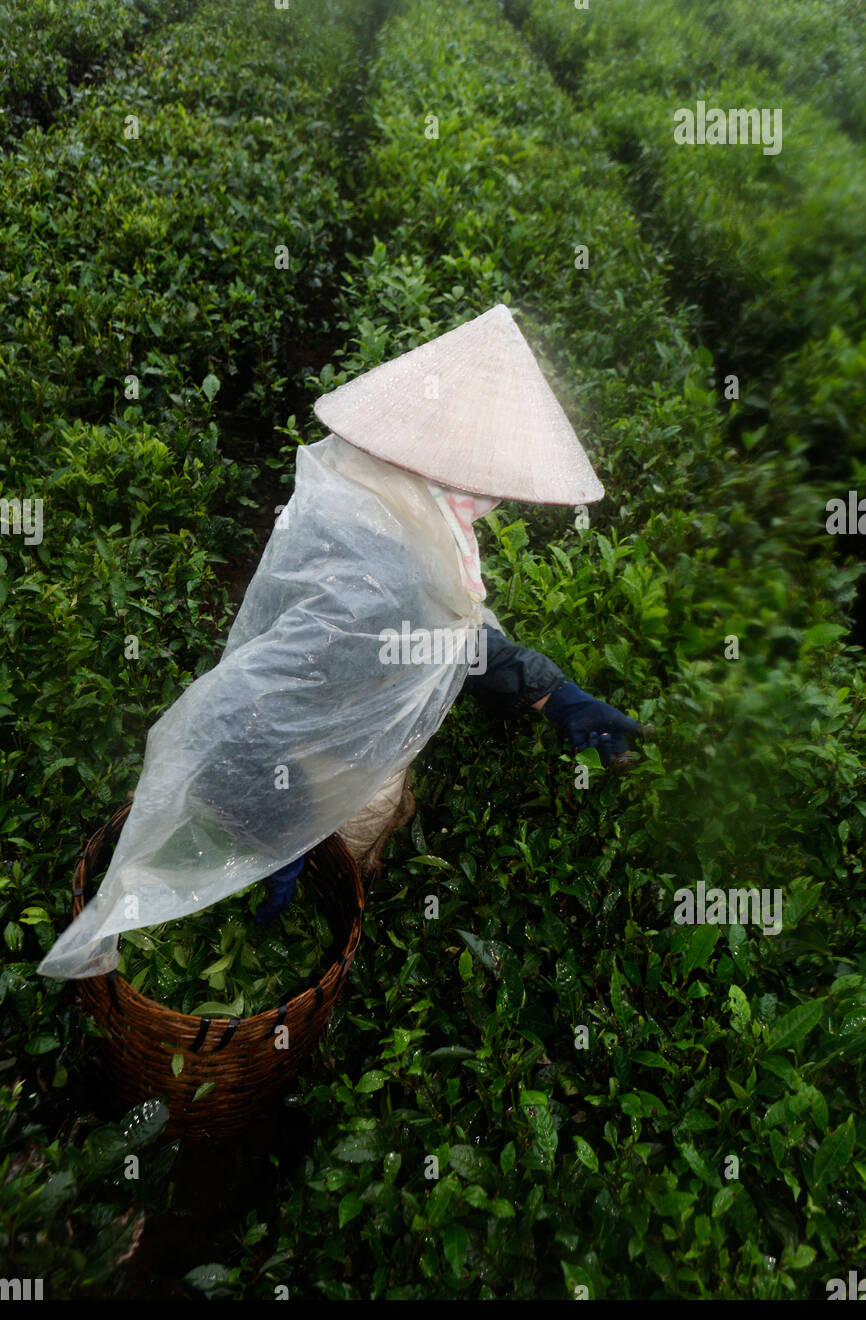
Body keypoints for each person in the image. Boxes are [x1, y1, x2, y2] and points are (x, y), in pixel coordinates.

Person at [39, 303, 649, 979]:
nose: (495, 503)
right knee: (344, 841)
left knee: (359, 816)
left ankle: (319, 861)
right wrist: (281, 824)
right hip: (315, 761)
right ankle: (324, 884)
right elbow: (262, 700)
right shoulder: (378, 564)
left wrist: (552, 693)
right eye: (487, 487)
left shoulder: (394, 506)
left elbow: (448, 639)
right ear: (451, 477)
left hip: (348, 735)